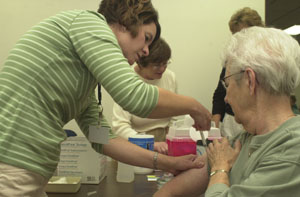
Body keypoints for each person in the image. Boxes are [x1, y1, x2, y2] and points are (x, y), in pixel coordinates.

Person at [0, 0, 211, 196]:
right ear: (126, 21)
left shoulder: (83, 80)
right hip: (12, 164)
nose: (146, 51)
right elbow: (135, 97)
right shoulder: (89, 24)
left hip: (28, 170)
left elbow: (103, 139)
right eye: (146, 38)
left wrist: (167, 163)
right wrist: (195, 107)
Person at [154, 26, 300, 197]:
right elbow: (169, 192)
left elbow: (215, 167)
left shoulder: (290, 152)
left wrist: (220, 169)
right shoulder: (246, 138)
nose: (226, 98)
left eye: (227, 85)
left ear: (250, 81)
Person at [112, 38, 176, 155]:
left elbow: (175, 115)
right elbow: (119, 126)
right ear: (141, 63)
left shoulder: (170, 77)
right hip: (135, 143)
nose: (162, 69)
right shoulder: (127, 80)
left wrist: (170, 139)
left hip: (164, 143)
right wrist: (149, 144)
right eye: (157, 65)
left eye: (165, 63)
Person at [212, 7, 264, 137]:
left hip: (257, 121)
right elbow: (220, 93)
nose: (239, 38)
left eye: (243, 33)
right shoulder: (231, 59)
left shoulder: (267, 59)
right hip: (231, 121)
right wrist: (214, 129)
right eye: (235, 34)